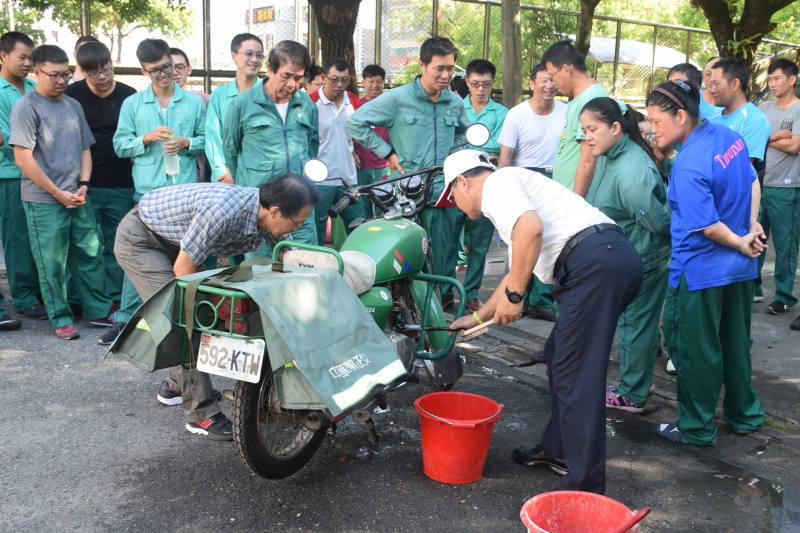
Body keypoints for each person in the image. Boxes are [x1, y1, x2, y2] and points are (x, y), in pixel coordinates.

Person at [444, 150, 643, 494]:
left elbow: (532, 232)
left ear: (463, 181)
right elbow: (514, 270)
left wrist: (516, 297)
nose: (456, 205)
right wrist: (477, 317)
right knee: (559, 356)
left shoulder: (499, 183)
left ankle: (584, 485)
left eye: (452, 197)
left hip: (593, 264)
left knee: (574, 373)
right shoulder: (510, 193)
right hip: (605, 259)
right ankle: (558, 451)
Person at [114, 174, 321, 440]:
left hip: (177, 240)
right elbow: (183, 270)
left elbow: (285, 251)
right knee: (182, 321)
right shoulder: (223, 212)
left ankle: (176, 387)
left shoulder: (265, 210)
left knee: (202, 315)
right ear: (275, 211)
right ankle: (201, 414)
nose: (298, 227)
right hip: (143, 240)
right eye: (298, 222)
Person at [645, 80, 765, 446]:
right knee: (734, 343)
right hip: (739, 270)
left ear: (681, 115)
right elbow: (753, 180)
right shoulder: (729, 138)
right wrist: (750, 226)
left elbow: (708, 227)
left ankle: (695, 427)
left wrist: (739, 239)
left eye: (656, 120)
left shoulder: (687, 164)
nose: (652, 129)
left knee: (696, 351)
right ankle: (745, 415)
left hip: (699, 273)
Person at [347, 37, 469, 310]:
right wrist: (388, 153)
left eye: (450, 68)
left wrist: (455, 155)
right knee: (408, 257)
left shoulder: (455, 102)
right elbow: (355, 123)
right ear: (422, 65)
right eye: (439, 68)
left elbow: (463, 132)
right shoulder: (397, 99)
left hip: (443, 192)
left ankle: (437, 313)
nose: (446, 75)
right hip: (406, 195)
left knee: (444, 254)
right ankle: (408, 314)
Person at [10, 44, 112, 340]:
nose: (61, 81)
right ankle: (61, 317)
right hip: (44, 199)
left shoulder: (72, 105)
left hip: (78, 195)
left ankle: (99, 310)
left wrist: (85, 183)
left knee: (90, 254)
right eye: (53, 75)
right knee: (51, 262)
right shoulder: (26, 107)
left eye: (65, 74)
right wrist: (57, 193)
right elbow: (23, 158)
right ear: (36, 72)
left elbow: (85, 147)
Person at [109, 38, 206, 346]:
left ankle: (188, 321)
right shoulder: (133, 104)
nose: (164, 75)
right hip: (148, 194)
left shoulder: (192, 101)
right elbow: (120, 146)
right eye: (156, 71)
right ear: (143, 70)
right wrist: (146, 138)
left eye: (168, 67)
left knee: (187, 257)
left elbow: (208, 138)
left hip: (184, 194)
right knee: (138, 255)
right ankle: (126, 320)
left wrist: (187, 143)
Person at [579, 97, 672, 413]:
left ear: (615, 128)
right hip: (624, 255)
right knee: (636, 326)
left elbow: (659, 222)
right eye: (584, 130)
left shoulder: (631, 171)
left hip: (643, 261)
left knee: (635, 327)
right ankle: (639, 381)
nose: (587, 136)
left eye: (593, 129)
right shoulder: (610, 152)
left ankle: (632, 394)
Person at [64, 41, 137, 327]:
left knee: (116, 245)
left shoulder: (129, 96)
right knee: (83, 246)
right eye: (94, 73)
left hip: (121, 182)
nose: (103, 77)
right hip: (83, 184)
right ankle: (77, 299)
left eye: (107, 70)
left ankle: (115, 298)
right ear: (82, 71)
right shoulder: (71, 96)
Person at [223, 39, 318, 257]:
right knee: (261, 273)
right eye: (286, 75)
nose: (292, 84)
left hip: (300, 205)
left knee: (305, 267)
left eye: (298, 77)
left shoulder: (306, 104)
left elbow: (312, 144)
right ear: (271, 69)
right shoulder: (243, 104)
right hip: (262, 209)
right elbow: (231, 149)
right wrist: (247, 182)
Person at [498, 63, 567, 323]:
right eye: (543, 80)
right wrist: (503, 190)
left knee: (550, 238)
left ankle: (540, 300)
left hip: (557, 178)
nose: (549, 85)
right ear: (532, 83)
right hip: (525, 178)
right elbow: (506, 157)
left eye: (553, 80)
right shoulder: (516, 114)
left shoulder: (568, 111)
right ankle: (524, 297)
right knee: (525, 237)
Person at [454, 59, 507, 312]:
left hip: (486, 187)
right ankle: (444, 290)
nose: (480, 89)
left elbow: (496, 147)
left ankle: (471, 291)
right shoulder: (455, 107)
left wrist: (470, 149)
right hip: (455, 183)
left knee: (480, 241)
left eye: (486, 84)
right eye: (475, 84)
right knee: (447, 239)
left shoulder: (502, 113)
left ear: (493, 84)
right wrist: (481, 151)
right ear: (467, 82)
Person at [0, 31, 46, 321]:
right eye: (22, 57)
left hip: (38, 172)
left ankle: (41, 292)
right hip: (10, 174)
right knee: (17, 236)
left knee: (37, 236)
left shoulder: (33, 86)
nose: (28, 63)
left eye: (31, 57)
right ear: (3, 56)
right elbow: (8, 140)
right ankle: (24, 296)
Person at [756, 59, 800, 323]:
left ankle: (784, 297)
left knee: (785, 247)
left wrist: (767, 139)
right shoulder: (763, 107)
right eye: (770, 79)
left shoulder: (798, 109)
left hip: (787, 188)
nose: (772, 84)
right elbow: (753, 140)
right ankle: (753, 288)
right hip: (758, 186)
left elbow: (796, 147)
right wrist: (778, 135)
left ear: (792, 79)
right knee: (754, 241)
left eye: (777, 79)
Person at [541, 40, 608, 196]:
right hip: (565, 194)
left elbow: (588, 160)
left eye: (552, 76)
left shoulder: (590, 98)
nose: (553, 84)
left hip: (575, 199)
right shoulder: (580, 97)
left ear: (565, 70)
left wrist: (576, 202)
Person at [309, 57, 364, 245]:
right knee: (316, 232)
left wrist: (353, 149)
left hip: (349, 179)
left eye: (345, 80)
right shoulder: (311, 102)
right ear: (324, 78)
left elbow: (357, 132)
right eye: (334, 79)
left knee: (360, 229)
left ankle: (359, 271)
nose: (339, 84)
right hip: (320, 181)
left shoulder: (353, 101)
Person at [206, 33, 263, 186]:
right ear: (234, 55)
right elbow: (213, 137)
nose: (255, 60)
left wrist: (239, 173)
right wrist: (223, 172)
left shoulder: (268, 93)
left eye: (259, 55)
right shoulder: (219, 95)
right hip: (224, 178)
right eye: (249, 54)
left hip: (258, 176)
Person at [353, 64, 391, 218]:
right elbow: (348, 131)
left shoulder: (390, 105)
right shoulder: (356, 105)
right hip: (361, 164)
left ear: (383, 83)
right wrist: (352, 150)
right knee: (364, 207)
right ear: (363, 82)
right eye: (371, 81)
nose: (375, 85)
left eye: (379, 81)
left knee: (386, 204)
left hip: (384, 165)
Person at [170, 47, 210, 182]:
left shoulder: (205, 100)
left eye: (180, 67)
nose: (175, 72)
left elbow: (212, 139)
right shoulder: (154, 103)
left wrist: (187, 142)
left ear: (189, 69)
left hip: (198, 173)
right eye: (170, 67)